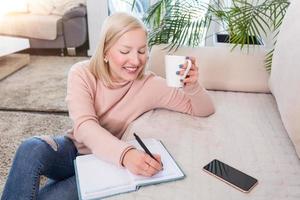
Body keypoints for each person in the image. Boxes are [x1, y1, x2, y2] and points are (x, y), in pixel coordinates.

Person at [1, 12, 215, 200]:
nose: (135, 60)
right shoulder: (81, 73)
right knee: (31, 148)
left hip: (105, 165)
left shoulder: (150, 85)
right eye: (125, 51)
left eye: (142, 51)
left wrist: (192, 85)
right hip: (73, 148)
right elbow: (84, 126)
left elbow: (203, 109)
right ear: (105, 52)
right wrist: (126, 154)